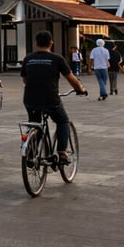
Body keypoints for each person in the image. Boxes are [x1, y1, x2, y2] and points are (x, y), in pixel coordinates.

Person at [21, 30, 86, 164]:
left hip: (30, 99)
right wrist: (80, 89)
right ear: (51, 43)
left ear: (36, 43)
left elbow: (25, 79)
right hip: (50, 99)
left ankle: (31, 153)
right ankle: (62, 152)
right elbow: (71, 78)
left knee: (36, 124)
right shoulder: (57, 59)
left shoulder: (28, 59)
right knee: (63, 122)